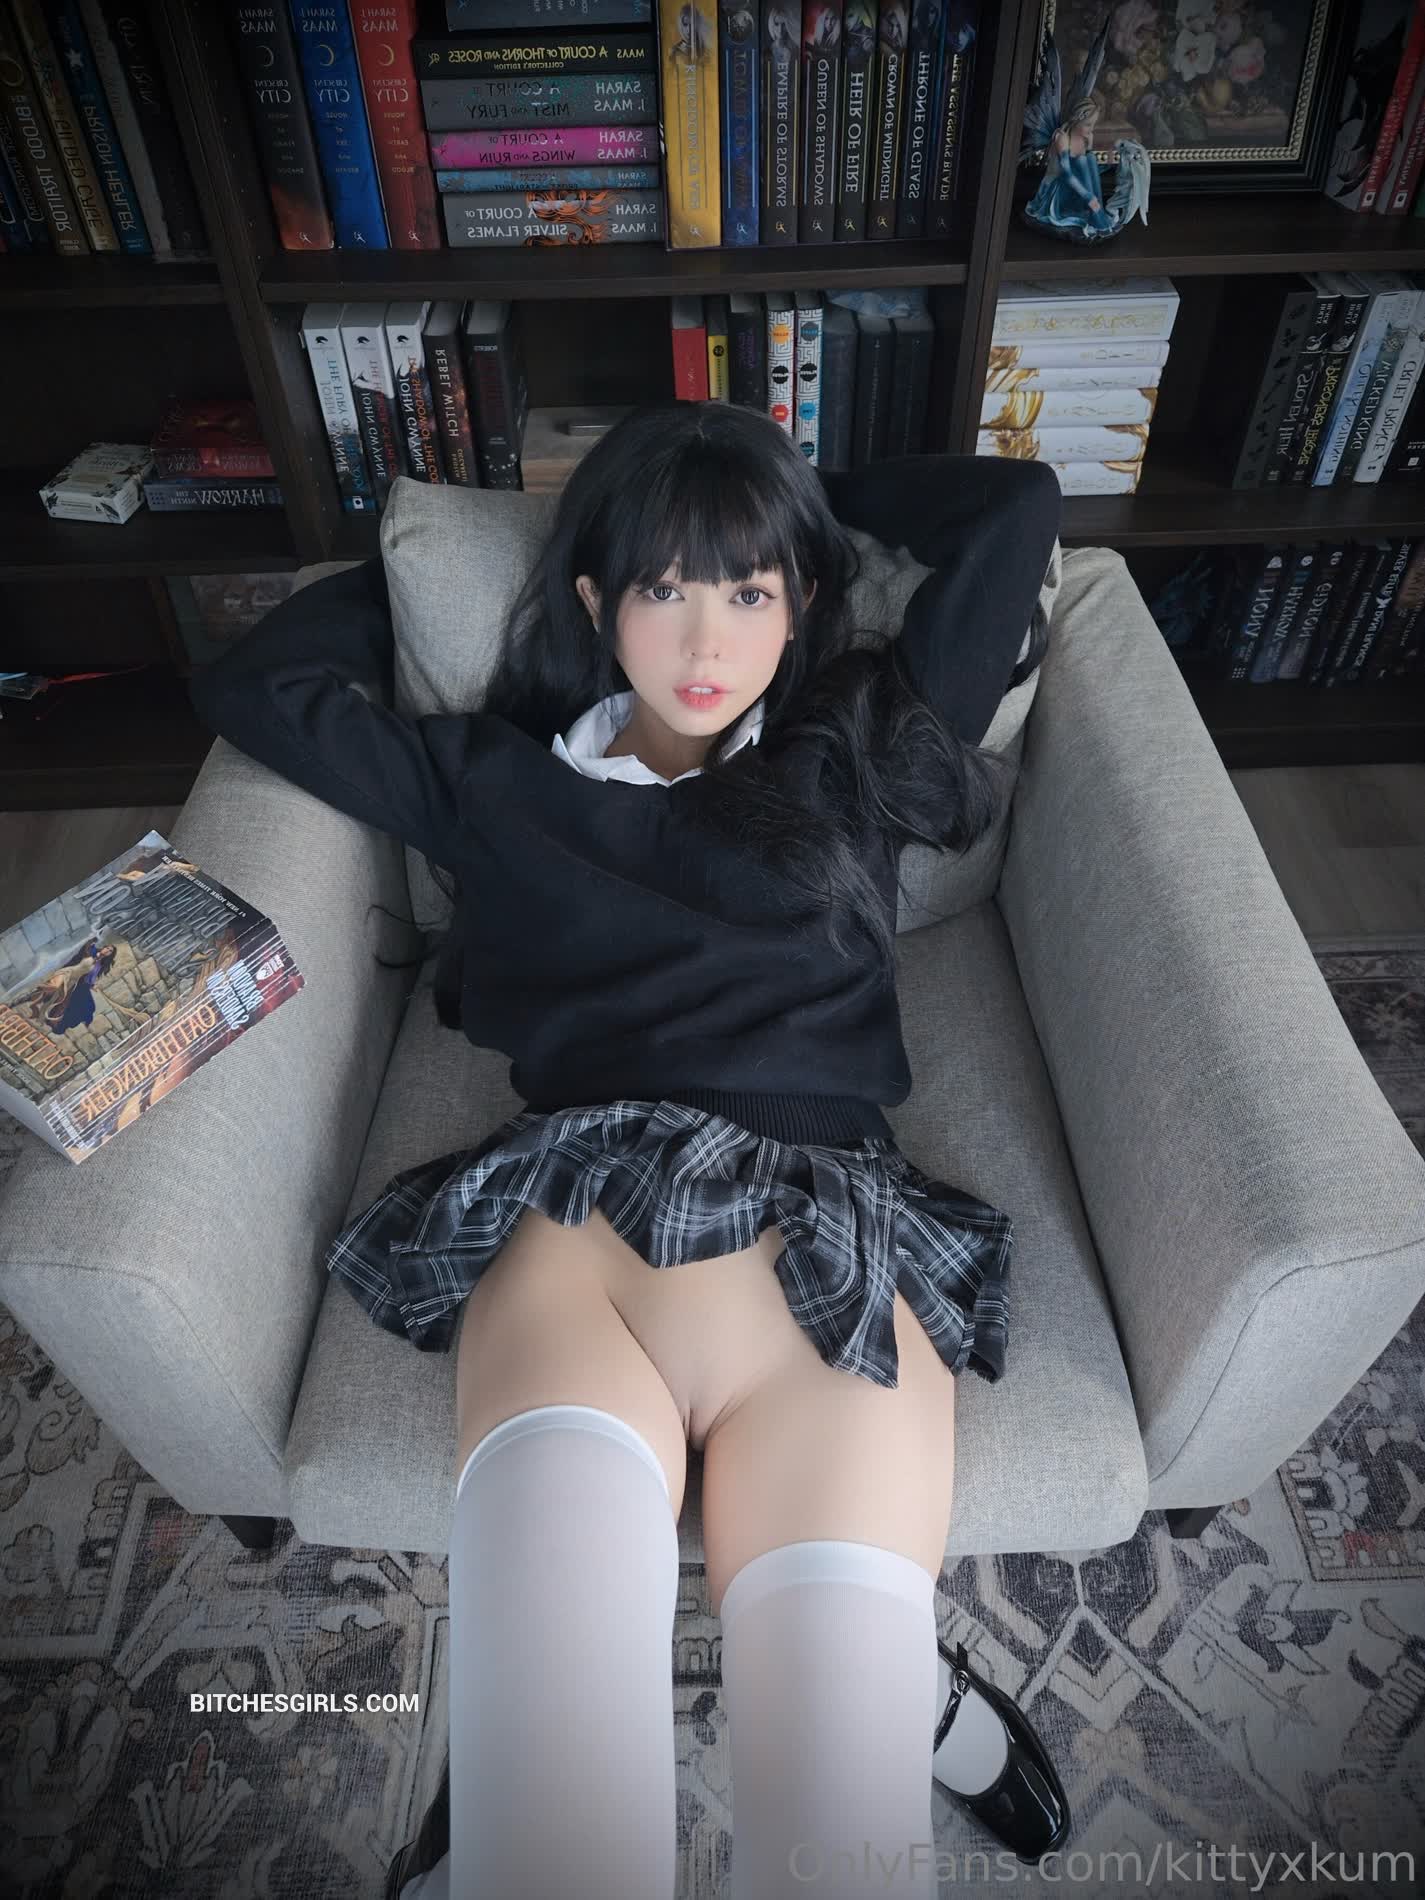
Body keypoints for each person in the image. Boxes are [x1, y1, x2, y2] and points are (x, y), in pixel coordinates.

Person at [187, 403, 1070, 1899]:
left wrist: (782, 493)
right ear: (596, 603)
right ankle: (503, 1770)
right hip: (584, 1257)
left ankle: (905, 1695)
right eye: (664, 586)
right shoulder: (493, 781)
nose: (707, 636)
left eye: (749, 590)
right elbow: (258, 684)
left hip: (825, 1268)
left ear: (800, 603)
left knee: (844, 1852)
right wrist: (403, 575)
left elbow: (1014, 510)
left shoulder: (851, 745)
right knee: (548, 1848)